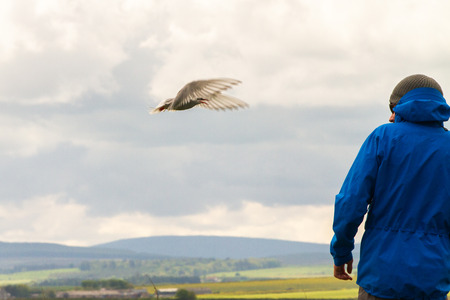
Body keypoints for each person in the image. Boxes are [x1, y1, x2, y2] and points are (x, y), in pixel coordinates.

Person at [330, 74, 450, 299]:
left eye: (393, 108)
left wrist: (341, 252)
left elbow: (351, 202)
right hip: (432, 281)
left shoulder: (382, 138)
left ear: (401, 107)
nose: (390, 116)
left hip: (380, 278)